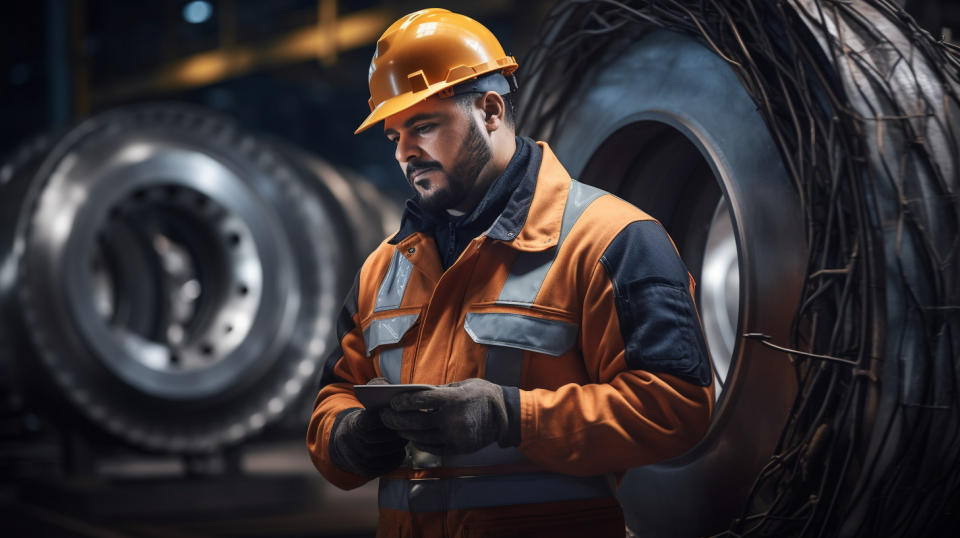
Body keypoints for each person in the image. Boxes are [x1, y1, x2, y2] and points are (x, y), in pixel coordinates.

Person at [307, 8, 715, 537]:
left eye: (424, 125)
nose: (407, 152)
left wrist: (510, 416)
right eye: (395, 137)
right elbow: (333, 397)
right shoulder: (384, 267)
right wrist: (348, 437)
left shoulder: (611, 240)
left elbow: (675, 407)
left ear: (491, 110)